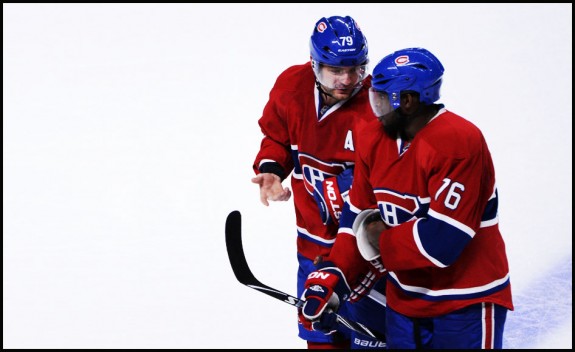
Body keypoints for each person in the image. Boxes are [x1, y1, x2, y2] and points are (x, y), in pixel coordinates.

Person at [299, 47, 514, 349]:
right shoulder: (374, 138)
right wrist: (336, 275)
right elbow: (356, 214)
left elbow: (442, 242)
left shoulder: (460, 143)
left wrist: (376, 245)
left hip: (464, 302)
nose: (374, 108)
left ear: (409, 101)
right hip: (404, 305)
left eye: (381, 100)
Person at [251, 16, 386, 349]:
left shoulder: (377, 109)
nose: (345, 80)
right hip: (312, 246)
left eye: (355, 69)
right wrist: (271, 167)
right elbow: (276, 135)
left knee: (372, 341)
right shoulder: (290, 87)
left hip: (363, 252)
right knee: (320, 338)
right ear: (314, 65)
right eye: (334, 71)